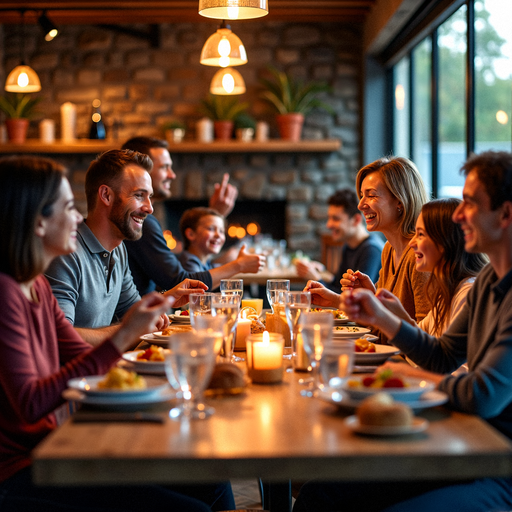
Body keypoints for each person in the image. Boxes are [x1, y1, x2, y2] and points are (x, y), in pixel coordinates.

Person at [0, 155, 234, 512]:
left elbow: (78, 350)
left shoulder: (37, 289)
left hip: (60, 441)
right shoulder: (6, 293)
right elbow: (31, 403)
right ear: (37, 222)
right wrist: (126, 334)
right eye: (67, 207)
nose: (78, 217)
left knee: (213, 478)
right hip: (24, 468)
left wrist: (147, 331)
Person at [294, 151, 512, 512]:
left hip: (495, 462)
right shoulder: (490, 279)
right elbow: (442, 355)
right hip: (465, 440)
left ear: (505, 214)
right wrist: (386, 319)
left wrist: (408, 373)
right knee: (323, 493)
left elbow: (484, 394)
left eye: (470, 204)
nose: (458, 214)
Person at [45, 149, 208, 347]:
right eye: (139, 195)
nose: (150, 208)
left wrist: (166, 300)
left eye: (149, 197)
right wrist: (130, 329)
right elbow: (59, 338)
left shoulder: (119, 249)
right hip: (78, 377)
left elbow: (132, 313)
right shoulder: (66, 254)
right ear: (106, 195)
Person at [306, 156, 430, 343]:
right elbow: (378, 328)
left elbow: (427, 341)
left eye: (371, 195)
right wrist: (334, 300)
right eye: (362, 195)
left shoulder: (419, 255)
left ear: (399, 201)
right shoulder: (389, 250)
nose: (360, 205)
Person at [121, 137, 265, 295]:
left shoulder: (143, 220)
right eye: (164, 167)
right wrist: (239, 266)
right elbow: (180, 282)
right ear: (141, 171)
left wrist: (213, 215)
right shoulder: (142, 222)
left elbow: (174, 267)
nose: (172, 175)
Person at [378, 198, 487, 337]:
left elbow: (440, 356)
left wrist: (386, 314)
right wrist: (393, 313)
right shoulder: (447, 294)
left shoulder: (467, 295)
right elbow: (422, 341)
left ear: (445, 241)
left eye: (420, 234)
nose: (411, 242)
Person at [295, 188, 384, 292]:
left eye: (336, 219)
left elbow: (354, 298)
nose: (328, 225)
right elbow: (338, 286)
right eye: (329, 218)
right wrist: (320, 272)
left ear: (356, 220)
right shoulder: (348, 246)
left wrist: (316, 279)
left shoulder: (372, 250)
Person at [178, 207, 227, 273]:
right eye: (211, 229)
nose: (218, 235)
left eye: (221, 231)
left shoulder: (206, 263)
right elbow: (199, 282)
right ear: (191, 234)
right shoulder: (188, 262)